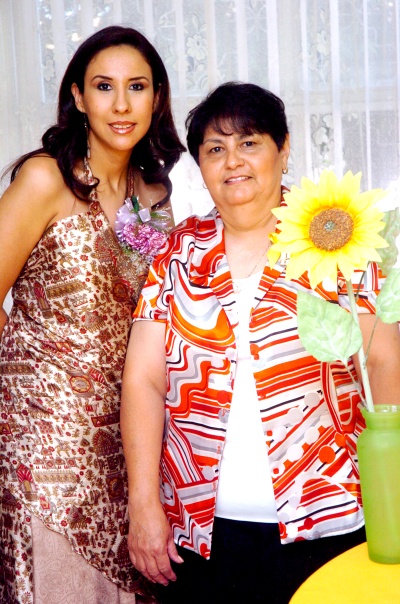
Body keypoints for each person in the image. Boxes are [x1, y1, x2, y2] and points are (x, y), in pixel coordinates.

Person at [120, 82, 400, 604]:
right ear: (200, 166)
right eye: (215, 149)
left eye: (249, 143)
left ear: (283, 148)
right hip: (199, 533)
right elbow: (143, 380)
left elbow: (384, 363)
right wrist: (143, 504)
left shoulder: (335, 237)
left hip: (329, 520)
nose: (233, 162)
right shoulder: (178, 253)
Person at [0, 25, 184, 604]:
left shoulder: (155, 196)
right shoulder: (44, 179)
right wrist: (25, 381)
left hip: (129, 442)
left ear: (157, 97)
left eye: (137, 87)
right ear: (78, 97)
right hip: (44, 446)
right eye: (104, 87)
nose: (121, 104)